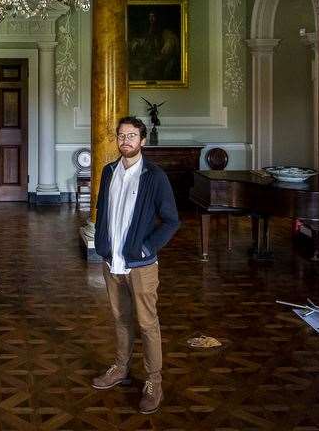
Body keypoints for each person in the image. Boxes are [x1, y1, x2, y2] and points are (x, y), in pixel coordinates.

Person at [91, 115, 181, 414]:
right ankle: (120, 367)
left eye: (132, 135)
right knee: (121, 319)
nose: (125, 140)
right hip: (111, 261)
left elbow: (171, 221)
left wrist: (146, 247)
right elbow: (102, 211)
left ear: (142, 141)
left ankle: (154, 381)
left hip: (141, 265)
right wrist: (101, 244)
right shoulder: (108, 172)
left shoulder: (155, 176)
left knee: (146, 323)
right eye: (121, 135)